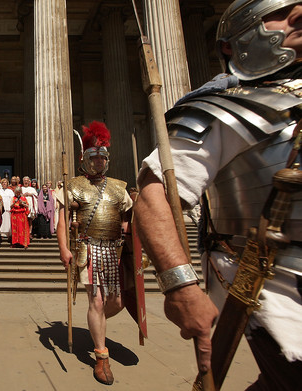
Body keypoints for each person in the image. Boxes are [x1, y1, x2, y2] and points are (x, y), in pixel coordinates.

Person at [134, 2, 302, 390]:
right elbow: (154, 193)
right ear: (231, 44)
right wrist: (180, 286)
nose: (297, 14)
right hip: (282, 299)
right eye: (280, 11)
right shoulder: (227, 107)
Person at [56, 121, 132, 385]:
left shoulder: (119, 187)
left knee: (117, 302)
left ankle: (95, 323)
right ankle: (101, 357)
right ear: (84, 158)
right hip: (88, 250)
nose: (99, 161)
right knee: (97, 302)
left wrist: (131, 230)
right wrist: (64, 248)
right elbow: (62, 221)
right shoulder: (73, 185)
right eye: (94, 156)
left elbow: (129, 218)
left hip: (115, 250)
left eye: (103, 156)